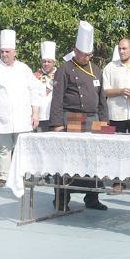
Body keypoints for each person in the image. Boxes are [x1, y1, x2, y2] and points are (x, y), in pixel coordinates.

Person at [50, 20, 109, 211]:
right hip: (74, 117)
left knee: (94, 159)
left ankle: (92, 198)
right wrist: (57, 124)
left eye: (89, 54)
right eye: (84, 54)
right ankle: (61, 199)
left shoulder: (97, 70)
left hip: (94, 119)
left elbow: (102, 99)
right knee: (69, 159)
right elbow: (57, 98)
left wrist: (105, 123)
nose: (87, 57)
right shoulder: (65, 69)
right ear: (75, 50)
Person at [0, 29, 42, 188]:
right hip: (1, 117)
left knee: (24, 149)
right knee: (3, 149)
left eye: (7, 51)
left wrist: (35, 113)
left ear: (15, 52)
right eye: (2, 51)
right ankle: (3, 176)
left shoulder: (24, 69)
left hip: (23, 116)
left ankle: (23, 175)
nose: (4, 54)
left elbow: (34, 91)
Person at [34, 41, 57, 132]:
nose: (46, 64)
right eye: (44, 61)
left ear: (54, 62)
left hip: (55, 116)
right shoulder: (35, 76)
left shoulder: (60, 75)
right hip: (40, 116)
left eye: (49, 61)